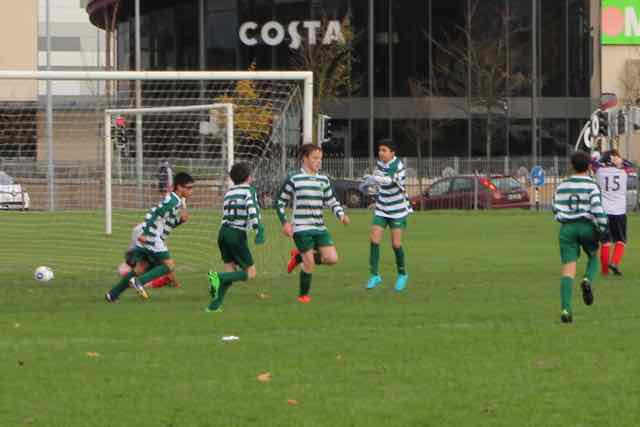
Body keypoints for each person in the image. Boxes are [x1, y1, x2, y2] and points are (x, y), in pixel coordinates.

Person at [105, 172, 194, 302]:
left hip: (147, 232)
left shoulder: (176, 201)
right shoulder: (173, 201)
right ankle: (139, 282)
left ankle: (112, 294)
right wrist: (145, 233)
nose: (191, 191)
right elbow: (154, 213)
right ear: (179, 187)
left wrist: (180, 221)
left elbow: (167, 224)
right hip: (150, 234)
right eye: (189, 187)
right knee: (169, 266)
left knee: (141, 268)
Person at [278, 143, 350, 303]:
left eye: (320, 158)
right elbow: (279, 201)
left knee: (332, 259)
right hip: (301, 228)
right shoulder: (294, 178)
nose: (318, 161)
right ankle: (303, 296)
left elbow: (331, 201)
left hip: (319, 227)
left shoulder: (323, 179)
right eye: (315, 158)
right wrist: (285, 223)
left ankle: (298, 257)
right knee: (309, 262)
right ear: (305, 159)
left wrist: (341, 215)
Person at [552, 150, 608, 323]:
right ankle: (587, 279)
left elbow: (555, 208)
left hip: (567, 229)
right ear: (589, 166)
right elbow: (597, 208)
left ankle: (566, 310)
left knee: (568, 269)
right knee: (594, 256)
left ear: (572, 166)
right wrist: (603, 227)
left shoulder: (562, 185)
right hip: (586, 226)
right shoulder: (592, 185)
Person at [206, 163, 265, 312]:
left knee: (230, 272)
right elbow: (253, 210)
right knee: (250, 273)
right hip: (236, 234)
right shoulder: (248, 191)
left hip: (223, 232)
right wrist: (258, 229)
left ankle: (214, 306)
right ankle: (217, 277)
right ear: (248, 177)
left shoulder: (229, 192)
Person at [362, 139, 412, 292]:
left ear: (392, 153)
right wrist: (369, 187)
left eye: (384, 150)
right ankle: (374, 275)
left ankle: (402, 274)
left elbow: (389, 181)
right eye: (379, 150)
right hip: (382, 208)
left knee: (396, 244)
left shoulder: (398, 166)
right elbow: (379, 184)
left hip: (397, 210)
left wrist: (373, 178)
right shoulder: (379, 164)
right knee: (374, 239)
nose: (380, 153)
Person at [594, 150, 631, 276]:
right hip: (619, 211)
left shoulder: (600, 172)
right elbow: (631, 166)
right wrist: (621, 161)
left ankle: (604, 271)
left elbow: (593, 163)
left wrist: (600, 160)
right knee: (621, 240)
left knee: (605, 241)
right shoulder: (623, 172)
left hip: (604, 211)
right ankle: (614, 262)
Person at [115, 223, 174, 290]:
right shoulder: (154, 232)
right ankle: (152, 281)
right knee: (123, 271)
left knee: (125, 272)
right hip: (143, 261)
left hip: (147, 262)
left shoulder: (142, 230)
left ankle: (156, 280)